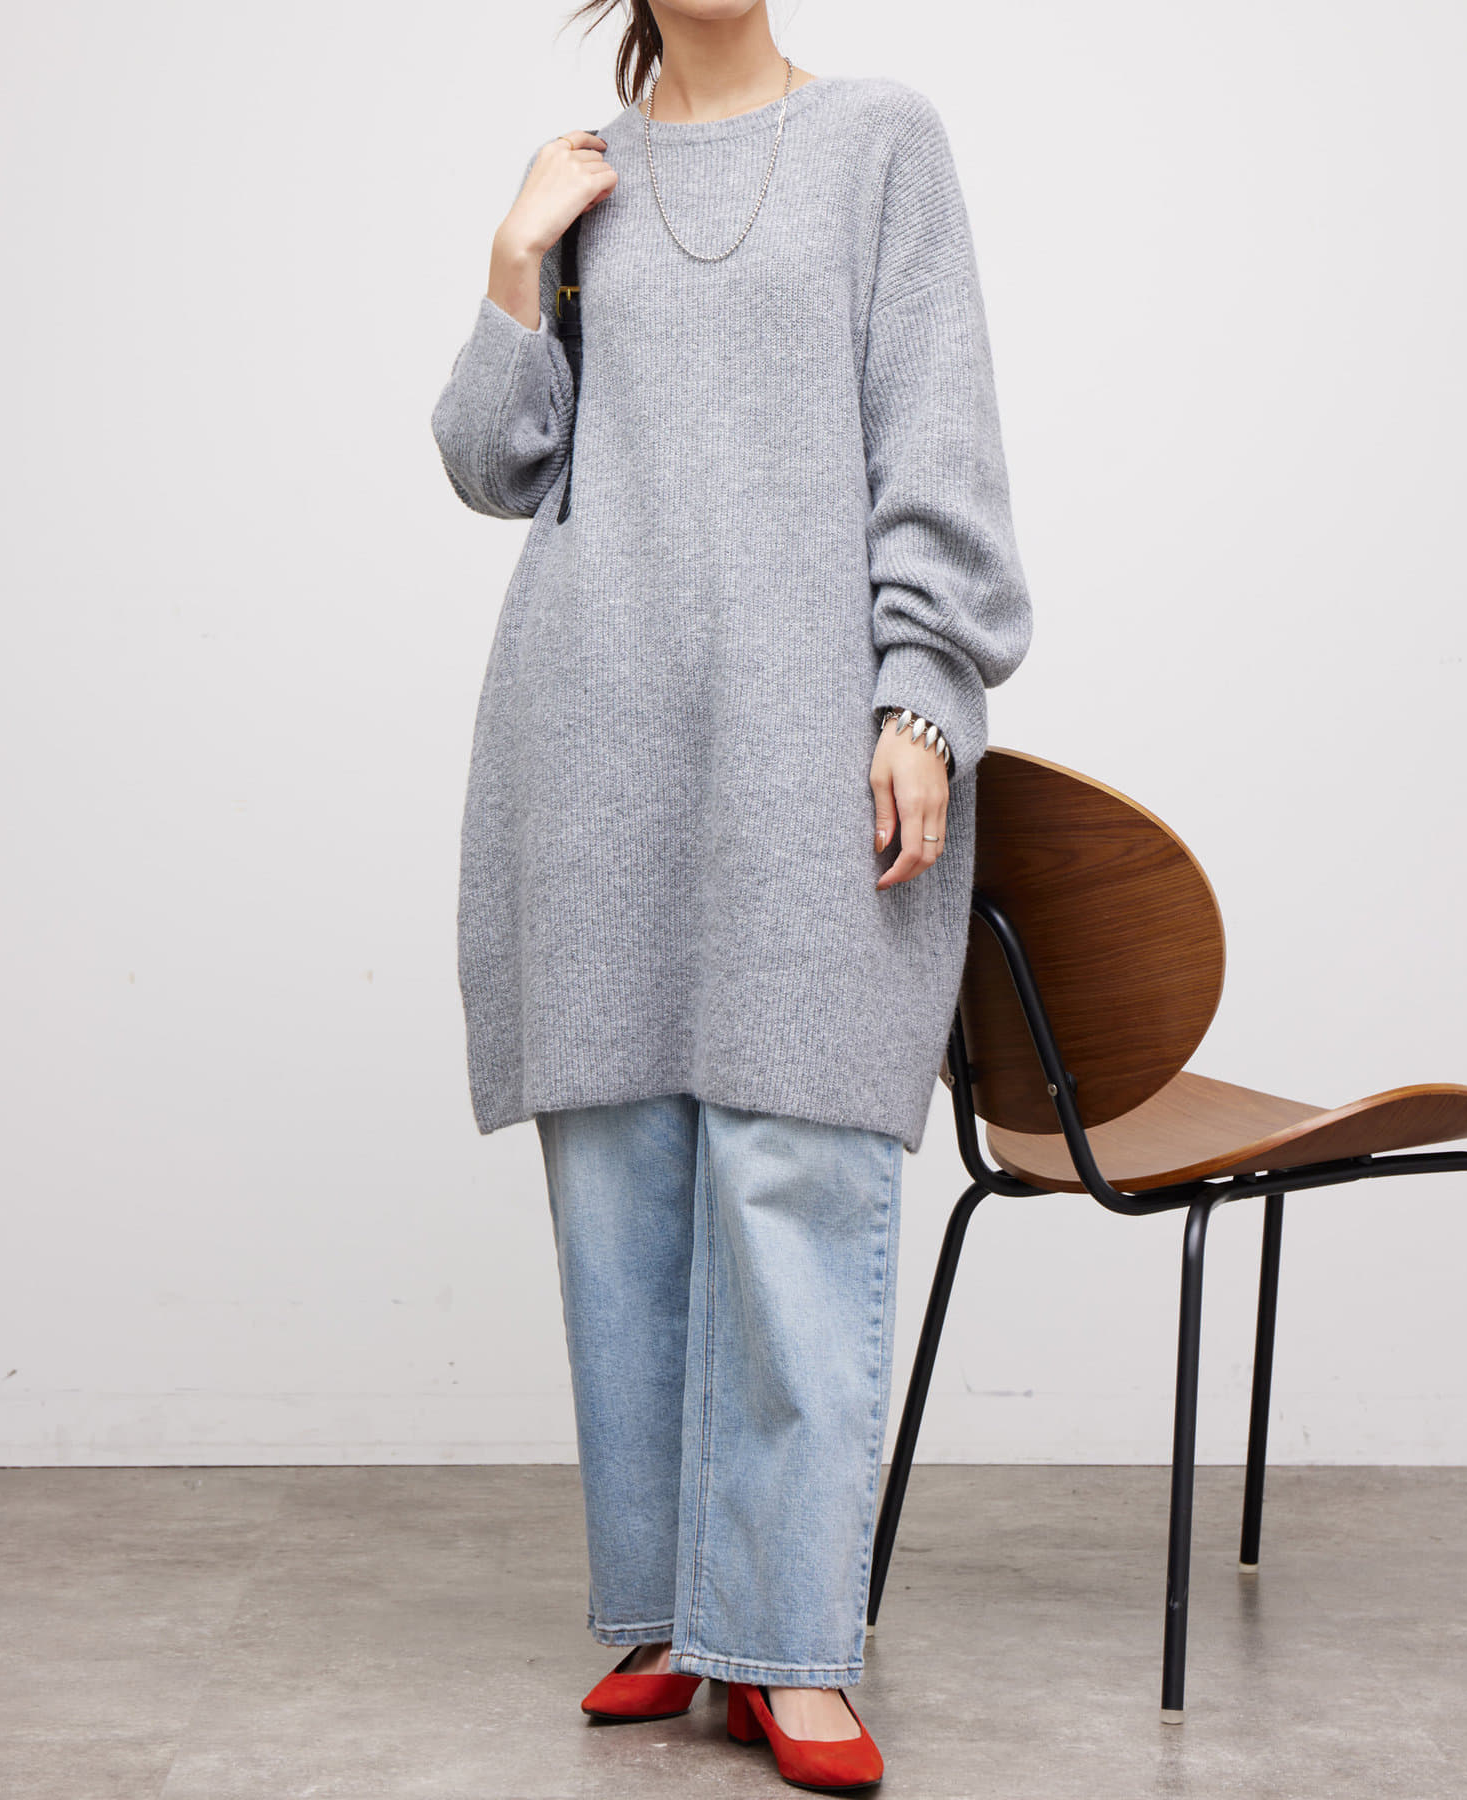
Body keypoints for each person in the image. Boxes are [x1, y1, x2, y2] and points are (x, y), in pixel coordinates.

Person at [429, 0, 1033, 1787]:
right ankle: (672, 1617)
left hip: (804, 736)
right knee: (620, 1178)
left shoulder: (879, 143)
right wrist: (515, 260)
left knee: (798, 1161)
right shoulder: (585, 182)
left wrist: (921, 694)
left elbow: (940, 436)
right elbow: (492, 464)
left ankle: (784, 1639)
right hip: (595, 737)